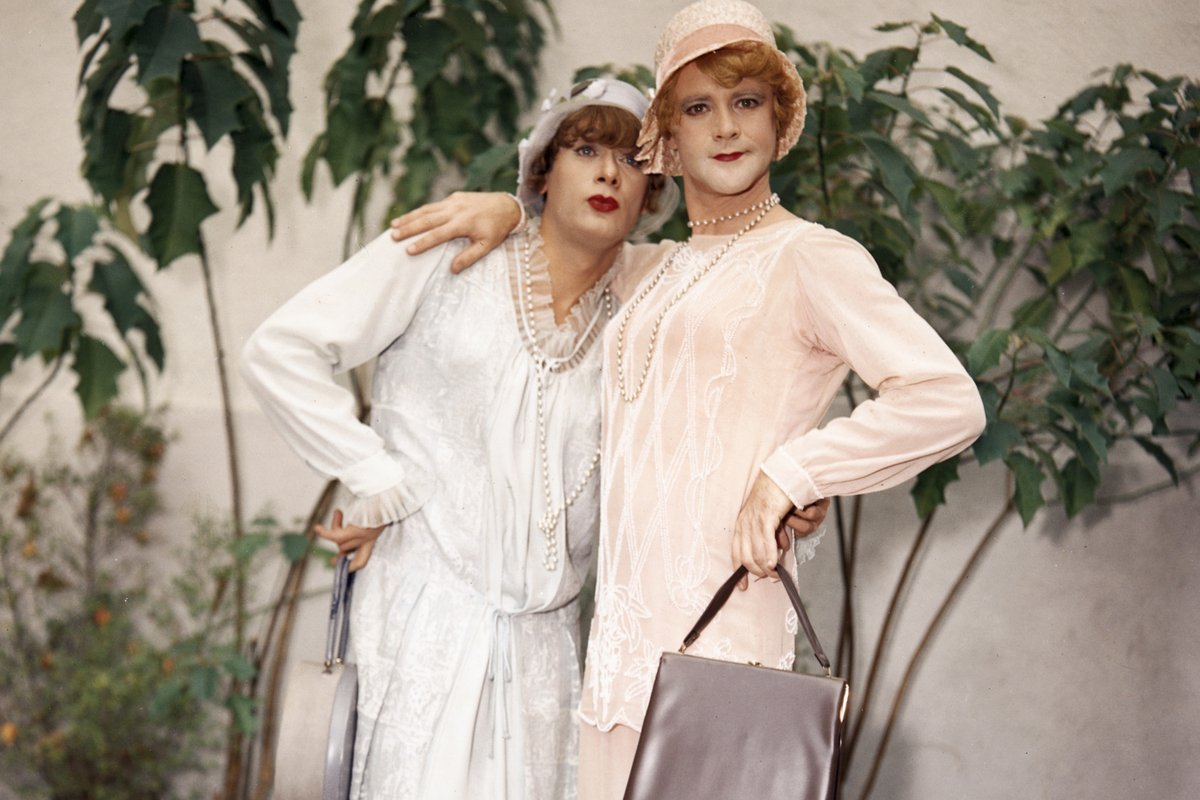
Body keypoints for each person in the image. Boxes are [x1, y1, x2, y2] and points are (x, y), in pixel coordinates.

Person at [389, 2, 986, 797]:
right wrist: (510, 206)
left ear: (779, 119)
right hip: (619, 655)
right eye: (699, 108)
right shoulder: (652, 268)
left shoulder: (809, 257)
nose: (727, 127)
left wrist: (794, 476)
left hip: (723, 634)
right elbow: (563, 244)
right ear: (667, 137)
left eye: (747, 102)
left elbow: (947, 399)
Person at [241, 78, 690, 800]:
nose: (609, 173)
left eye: (633, 161)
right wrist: (377, 478)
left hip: (541, 655)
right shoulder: (452, 251)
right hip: (419, 625)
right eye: (585, 150)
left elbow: (743, 271)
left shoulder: (644, 307)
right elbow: (280, 350)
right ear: (543, 170)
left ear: (653, 193)